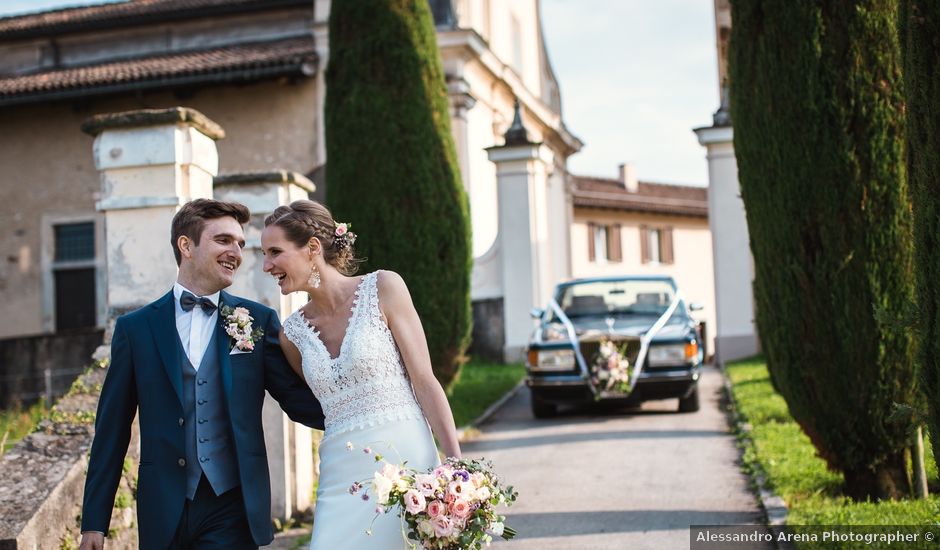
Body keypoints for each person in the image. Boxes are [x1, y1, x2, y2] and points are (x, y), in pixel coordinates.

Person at [79, 199, 325, 550]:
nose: (237, 252)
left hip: (231, 506)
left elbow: (297, 401)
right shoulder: (136, 330)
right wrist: (94, 523)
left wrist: (363, 415)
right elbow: (111, 431)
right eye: (224, 240)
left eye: (240, 243)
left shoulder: (256, 319)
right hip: (163, 509)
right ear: (186, 246)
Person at [260, 199, 461, 549]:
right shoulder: (291, 335)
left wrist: (457, 465)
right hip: (341, 473)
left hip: (408, 459)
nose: (266, 265)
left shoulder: (384, 287)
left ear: (311, 248)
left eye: (275, 252)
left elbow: (425, 381)